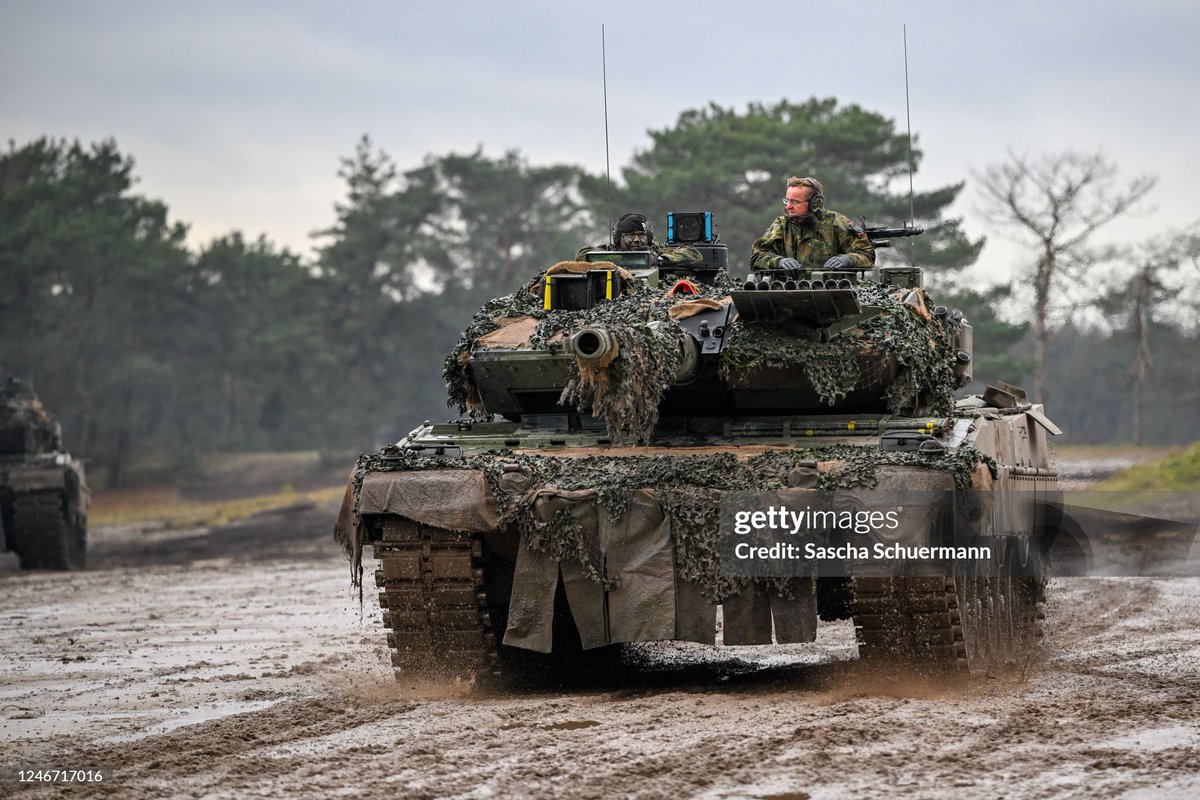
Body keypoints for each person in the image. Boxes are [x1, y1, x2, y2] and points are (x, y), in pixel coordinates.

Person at [749, 177, 874, 271]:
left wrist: (847, 260)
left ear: (815, 203)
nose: (788, 206)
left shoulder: (837, 223)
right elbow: (757, 256)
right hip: (788, 292)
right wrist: (778, 262)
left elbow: (866, 255)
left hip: (832, 293)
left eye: (795, 202)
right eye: (787, 200)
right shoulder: (781, 225)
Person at [576, 213, 705, 269]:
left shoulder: (656, 251)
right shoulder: (609, 250)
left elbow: (694, 254)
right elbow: (582, 256)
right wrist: (614, 260)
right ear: (618, 238)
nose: (637, 240)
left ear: (648, 237)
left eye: (641, 235)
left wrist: (660, 261)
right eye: (631, 235)